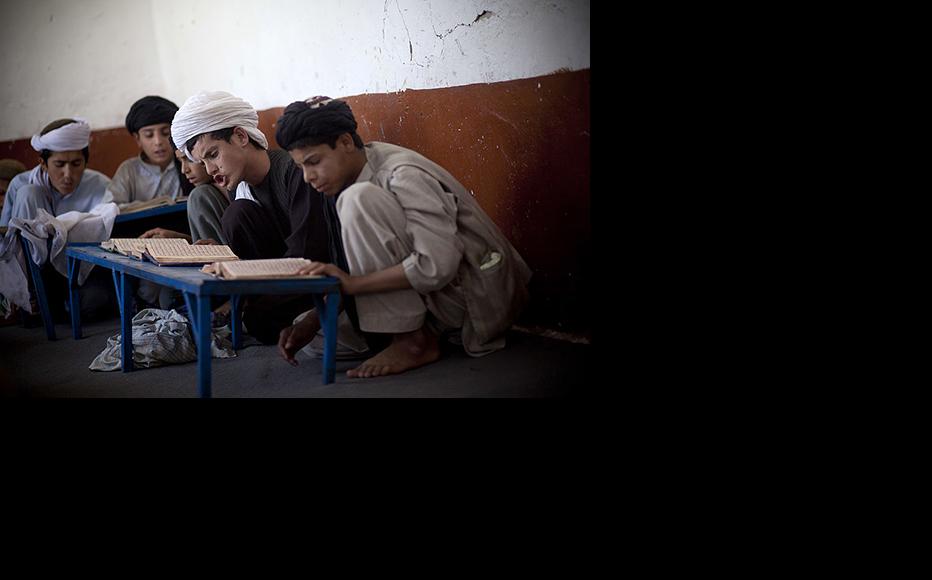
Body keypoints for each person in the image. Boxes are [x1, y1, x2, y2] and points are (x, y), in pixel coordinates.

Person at [273, 96, 532, 378]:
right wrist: (314, 319)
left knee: (357, 199)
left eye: (313, 162)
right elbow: (357, 267)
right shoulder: (342, 175)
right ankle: (413, 332)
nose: (308, 176)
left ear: (346, 142)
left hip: (476, 295)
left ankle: (411, 341)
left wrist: (354, 284)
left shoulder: (401, 174)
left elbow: (437, 266)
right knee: (320, 342)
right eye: (300, 167)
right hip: (433, 295)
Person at [170, 90, 335, 343]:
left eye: (213, 155)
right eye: (203, 163)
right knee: (235, 215)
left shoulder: (294, 171)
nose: (211, 169)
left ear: (240, 136)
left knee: (257, 319)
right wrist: (225, 253)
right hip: (280, 279)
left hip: (314, 276)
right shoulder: (241, 188)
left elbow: (307, 254)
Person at [0, 118, 111, 227]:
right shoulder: (19, 184)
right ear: (43, 164)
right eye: (59, 164)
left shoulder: (101, 186)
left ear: (86, 162)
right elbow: (5, 238)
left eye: (76, 164)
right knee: (28, 193)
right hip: (29, 245)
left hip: (86, 245)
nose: (68, 174)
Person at [141, 147, 230, 244]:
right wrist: (183, 240)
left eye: (189, 159)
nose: (184, 170)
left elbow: (218, 253)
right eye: (180, 161)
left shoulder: (200, 195)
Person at [105, 96, 182, 206]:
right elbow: (110, 207)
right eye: (148, 135)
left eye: (165, 133)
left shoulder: (186, 165)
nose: (158, 142)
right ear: (138, 139)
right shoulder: (129, 170)